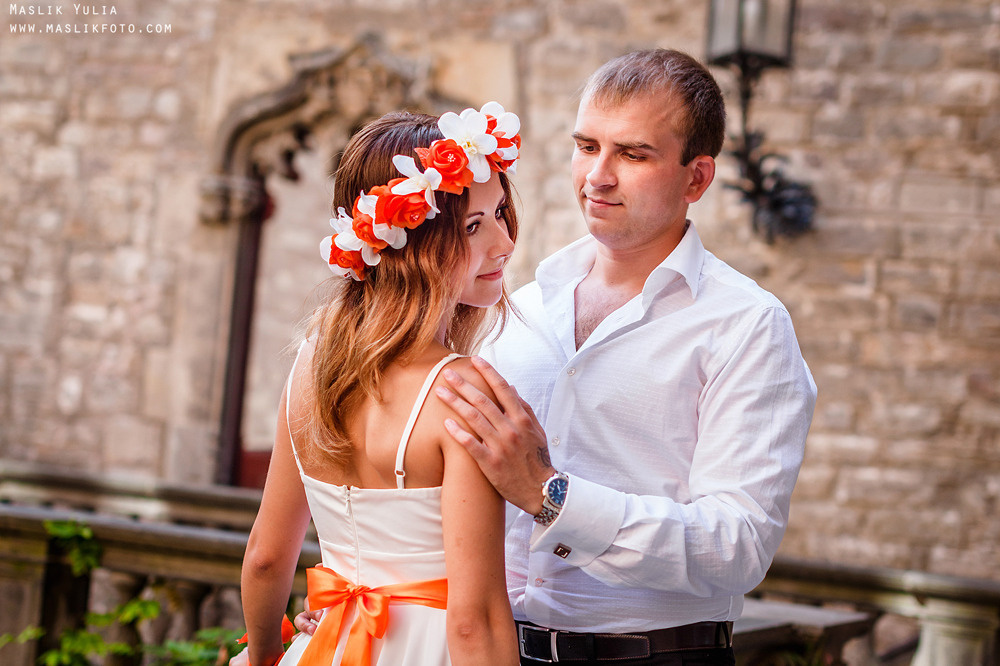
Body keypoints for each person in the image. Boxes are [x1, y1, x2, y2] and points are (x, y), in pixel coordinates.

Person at [431, 49, 819, 665]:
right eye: (587, 147)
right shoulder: (517, 309)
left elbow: (739, 547)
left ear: (697, 178)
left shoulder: (747, 325)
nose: (597, 176)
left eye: (632, 154)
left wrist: (549, 496)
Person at [234, 104, 524, 666]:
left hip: (325, 647)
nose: (503, 242)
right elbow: (475, 621)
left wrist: (266, 656)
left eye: (499, 214)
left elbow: (267, 558)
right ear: (409, 245)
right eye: (471, 226)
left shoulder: (311, 366)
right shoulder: (461, 392)